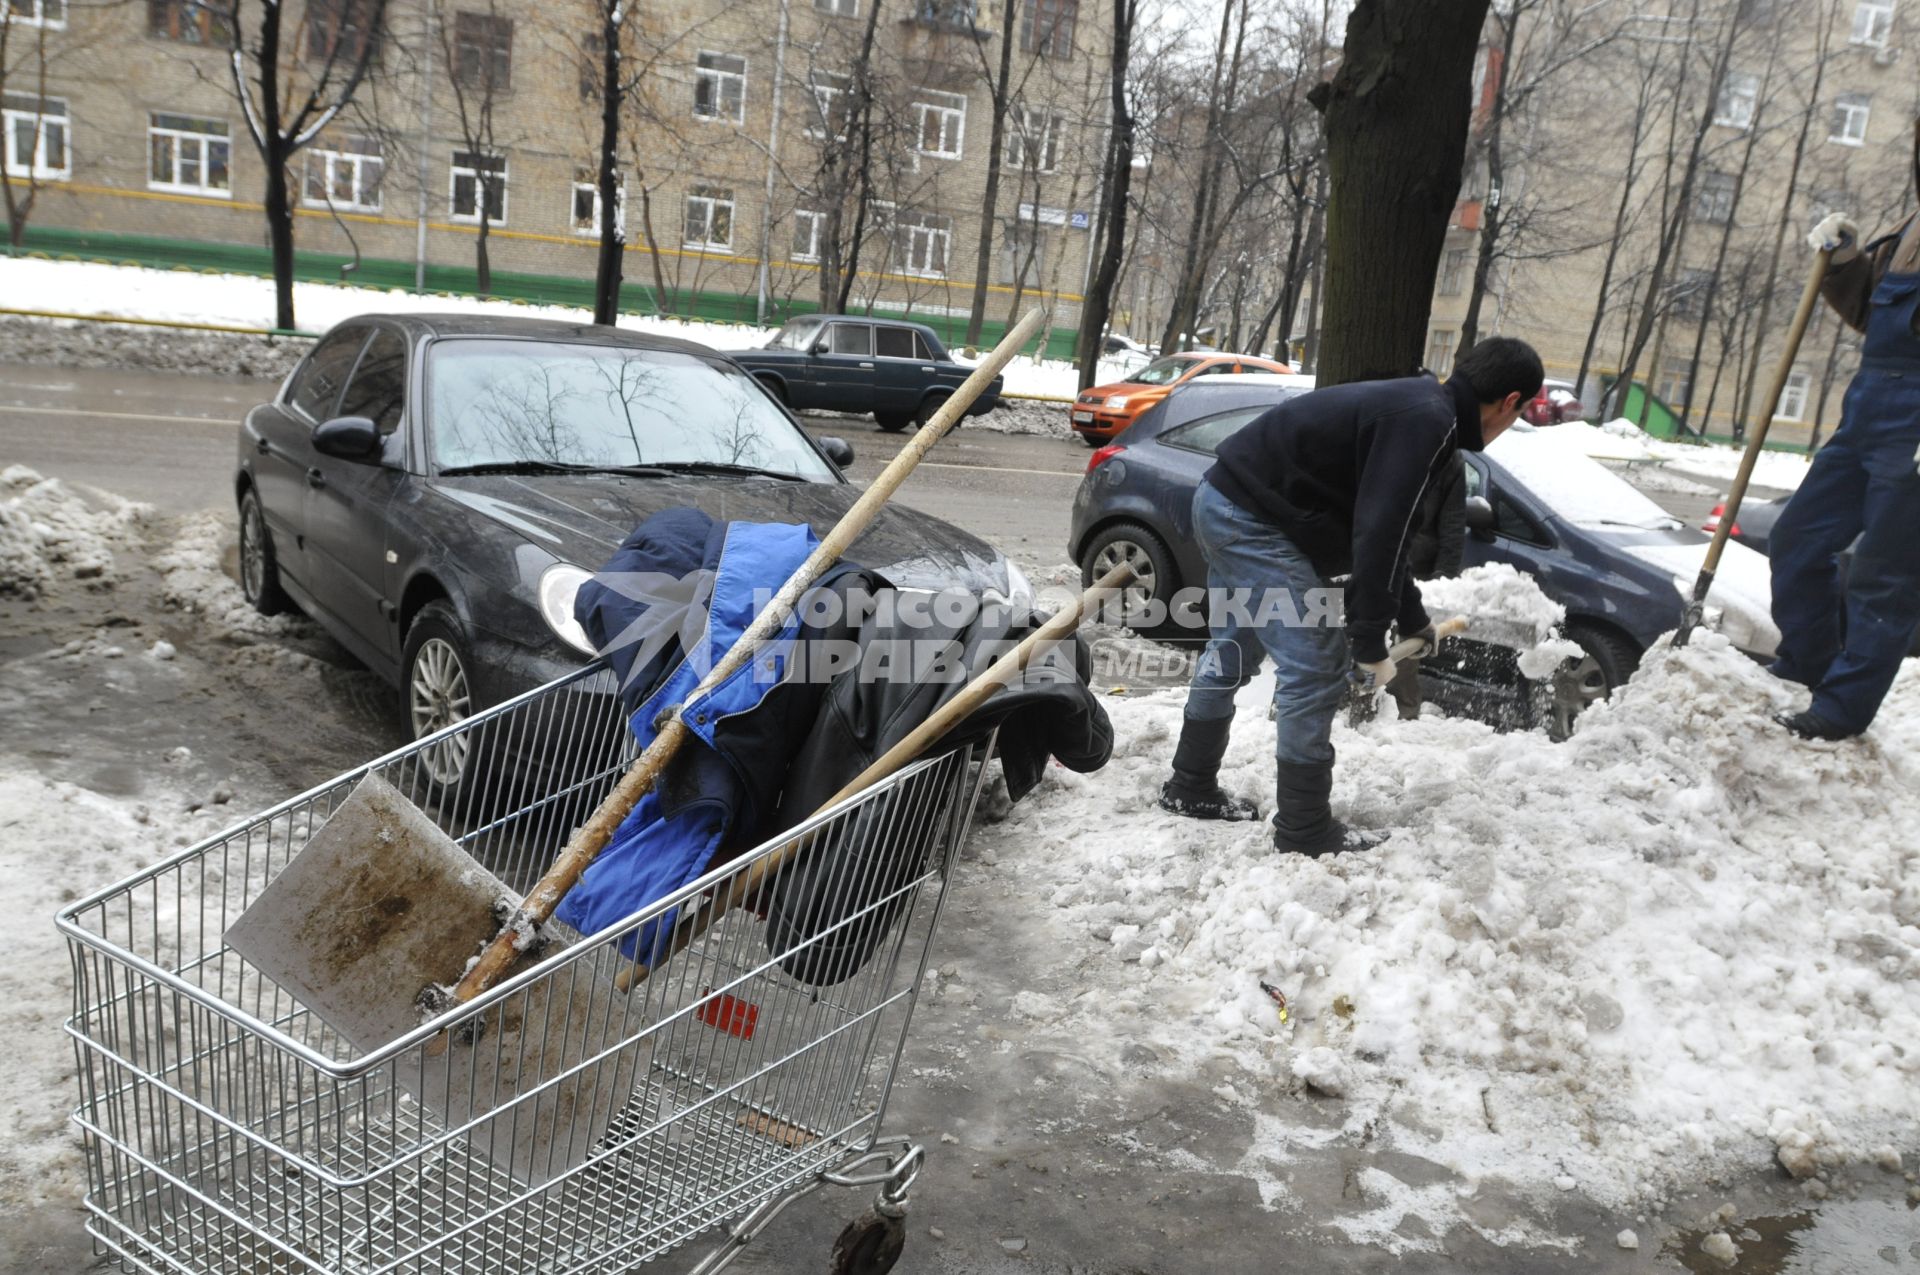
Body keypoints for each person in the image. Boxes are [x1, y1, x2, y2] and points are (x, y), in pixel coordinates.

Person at [1157, 337, 1542, 854]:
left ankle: (1190, 784)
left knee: (1234, 648)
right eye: (1517, 414)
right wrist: (1366, 642)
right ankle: (1305, 829)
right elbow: (1378, 536)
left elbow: (1389, 533)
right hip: (1252, 521)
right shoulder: (1428, 421)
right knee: (1314, 668)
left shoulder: (1425, 409)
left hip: (1229, 503)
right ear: (1511, 401)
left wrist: (1411, 620)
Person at [1768, 120, 1920, 742]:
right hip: (1868, 408)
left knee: (1882, 578)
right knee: (1795, 540)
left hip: (1914, 427)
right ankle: (1811, 665)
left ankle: (1840, 711)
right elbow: (1872, 314)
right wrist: (1848, 260)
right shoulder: (1911, 229)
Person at [1384, 451, 1467, 721]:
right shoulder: (1375, 438)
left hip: (1413, 570)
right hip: (1358, 562)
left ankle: (1402, 717)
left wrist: (1442, 580)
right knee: (1335, 644)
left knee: (1405, 654)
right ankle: (1341, 714)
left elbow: (1453, 526)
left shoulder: (1449, 459)